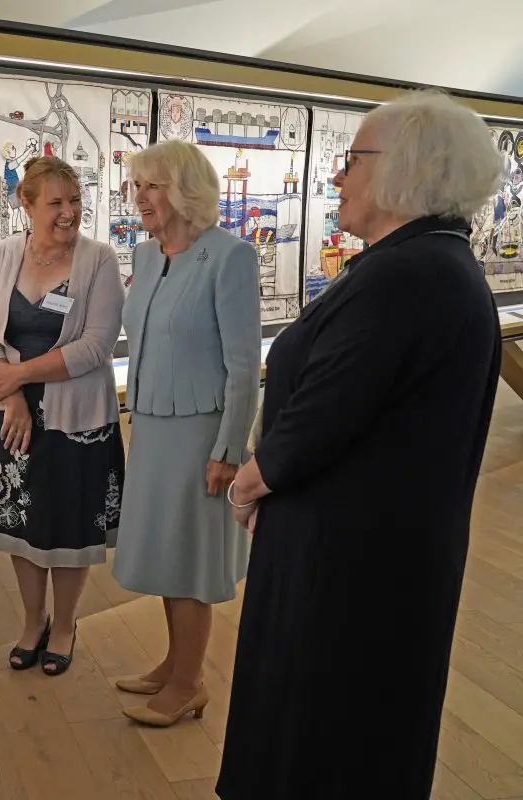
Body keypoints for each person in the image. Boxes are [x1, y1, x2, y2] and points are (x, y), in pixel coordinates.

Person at [217, 90, 505, 799]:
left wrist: (250, 480)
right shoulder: (425, 266)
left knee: (321, 732)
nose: (337, 178)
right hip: (370, 552)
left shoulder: (407, 276)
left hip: (347, 565)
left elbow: (323, 412)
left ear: (407, 170)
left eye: (351, 161)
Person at [110, 139, 262, 725]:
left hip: (202, 433)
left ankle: (190, 682)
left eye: (152, 185)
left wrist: (227, 450)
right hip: (151, 425)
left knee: (193, 558)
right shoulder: (147, 258)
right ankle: (173, 666)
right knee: (167, 550)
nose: (140, 196)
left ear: (184, 191)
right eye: (137, 185)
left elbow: (244, 365)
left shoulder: (230, 257)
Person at [0, 155, 126, 676]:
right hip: (13, 415)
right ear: (27, 204)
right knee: (22, 523)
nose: (69, 212)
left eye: (75, 200)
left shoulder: (98, 260)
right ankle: (33, 620)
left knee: (67, 526)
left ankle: (64, 625)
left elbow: (96, 348)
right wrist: (10, 394)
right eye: (56, 202)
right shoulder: (3, 255)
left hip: (76, 419)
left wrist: (20, 375)